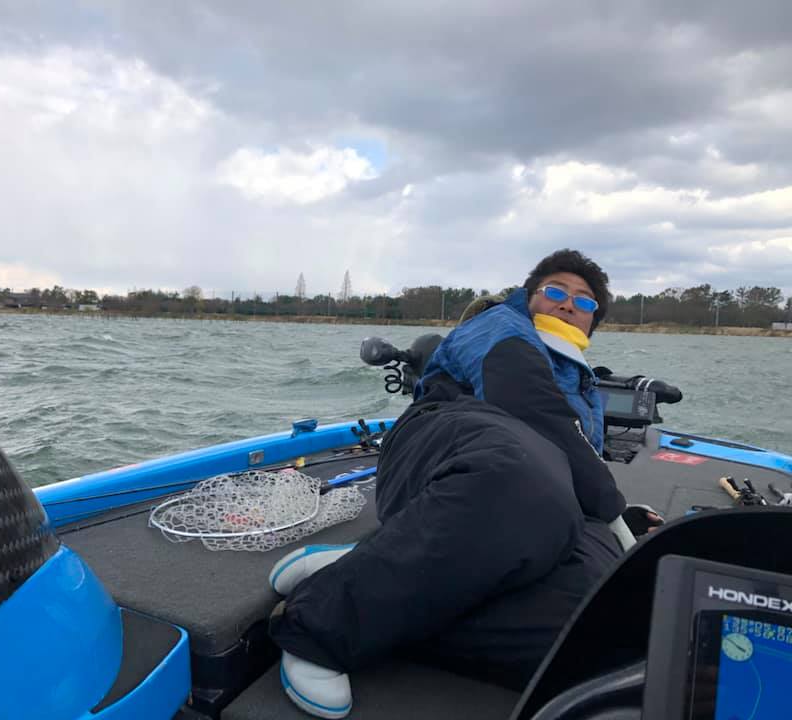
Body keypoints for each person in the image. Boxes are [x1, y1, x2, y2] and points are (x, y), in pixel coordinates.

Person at [266, 249, 658, 719]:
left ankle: (379, 564)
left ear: (593, 321)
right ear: (529, 296)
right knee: (526, 483)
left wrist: (617, 519)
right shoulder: (501, 326)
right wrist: (609, 504)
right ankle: (320, 625)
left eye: (585, 300)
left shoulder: (583, 383)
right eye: (556, 290)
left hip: (542, 499)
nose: (568, 303)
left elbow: (576, 459)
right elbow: (524, 398)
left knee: (608, 625)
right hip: (451, 443)